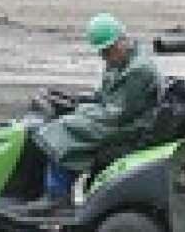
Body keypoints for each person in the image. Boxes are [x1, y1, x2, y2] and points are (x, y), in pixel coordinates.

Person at [31, 14, 162, 205]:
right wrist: (75, 101)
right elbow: (104, 96)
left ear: (121, 41)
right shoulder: (121, 62)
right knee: (66, 121)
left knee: (62, 130)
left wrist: (80, 111)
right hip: (122, 119)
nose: (103, 56)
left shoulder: (138, 70)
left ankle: (56, 195)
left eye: (107, 51)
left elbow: (117, 113)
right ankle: (55, 190)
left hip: (131, 126)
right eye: (102, 52)